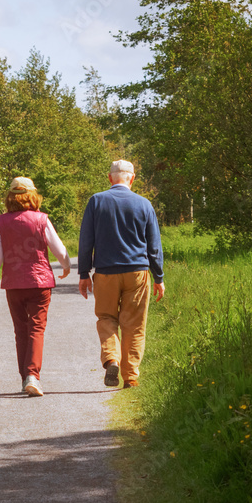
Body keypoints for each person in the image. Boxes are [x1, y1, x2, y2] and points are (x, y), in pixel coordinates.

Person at [0, 177, 71, 397]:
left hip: (14, 284)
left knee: (21, 331)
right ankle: (32, 377)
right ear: (33, 196)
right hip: (40, 284)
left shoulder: (0, 222)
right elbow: (58, 247)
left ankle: (25, 379)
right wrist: (66, 265)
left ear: (10, 197)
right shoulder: (41, 219)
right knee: (36, 328)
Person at [77, 160, 165, 389]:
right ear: (132, 178)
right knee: (134, 325)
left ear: (110, 178)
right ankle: (131, 377)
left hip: (106, 273)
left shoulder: (96, 201)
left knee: (106, 318)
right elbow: (154, 246)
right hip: (137, 272)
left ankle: (112, 359)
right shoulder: (144, 204)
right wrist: (159, 277)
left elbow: (86, 241)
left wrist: (84, 273)